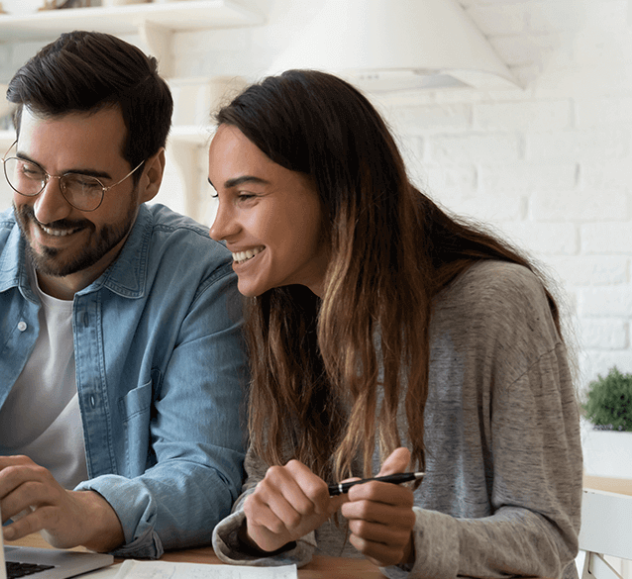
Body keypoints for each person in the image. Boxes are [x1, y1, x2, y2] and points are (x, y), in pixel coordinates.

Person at [0, 31, 247, 559]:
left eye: (84, 182)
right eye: (30, 170)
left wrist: (82, 513)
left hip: (104, 564)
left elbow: (206, 476)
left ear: (151, 177)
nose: (47, 208)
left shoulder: (200, 280)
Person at [206, 70, 582, 578]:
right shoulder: (287, 313)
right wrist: (262, 529)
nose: (218, 227)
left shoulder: (496, 303)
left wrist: (415, 541)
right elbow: (263, 484)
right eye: (217, 197)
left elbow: (548, 536)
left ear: (336, 190)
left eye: (245, 196)